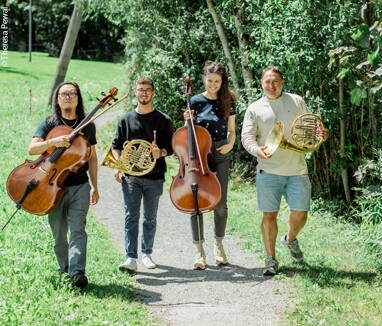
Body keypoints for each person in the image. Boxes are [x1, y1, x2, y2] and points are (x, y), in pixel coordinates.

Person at [241, 66, 326, 276]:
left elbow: (309, 126)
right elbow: (247, 136)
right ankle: (270, 260)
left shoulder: (296, 101)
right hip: (268, 171)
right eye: (268, 81)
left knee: (301, 214)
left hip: (297, 169)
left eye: (276, 81)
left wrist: (319, 133)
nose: (272, 85)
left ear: (282, 82)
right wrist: (256, 150)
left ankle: (290, 238)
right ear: (262, 82)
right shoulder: (254, 108)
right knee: (269, 215)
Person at [28, 82, 99, 288]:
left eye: (72, 93)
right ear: (57, 98)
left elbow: (92, 158)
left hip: (80, 185)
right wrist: (53, 143)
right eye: (64, 94)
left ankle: (77, 273)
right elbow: (32, 149)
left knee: (78, 229)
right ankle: (64, 269)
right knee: (59, 234)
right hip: (51, 187)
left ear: (78, 98)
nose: (68, 97)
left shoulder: (87, 125)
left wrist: (95, 185)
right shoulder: (49, 123)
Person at [112, 77, 174, 272]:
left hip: (155, 177)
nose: (144, 93)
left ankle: (147, 254)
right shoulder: (126, 120)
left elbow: (171, 148)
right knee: (131, 216)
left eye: (148, 90)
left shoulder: (163, 120)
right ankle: (130, 257)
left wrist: (160, 153)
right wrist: (118, 165)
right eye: (141, 89)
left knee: (150, 218)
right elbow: (116, 146)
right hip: (131, 176)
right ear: (135, 92)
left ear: (153, 93)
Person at [183, 61, 237, 269]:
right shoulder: (194, 101)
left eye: (217, 81)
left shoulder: (227, 100)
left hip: (221, 153)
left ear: (222, 81)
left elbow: (231, 129)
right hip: (199, 155)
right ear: (204, 79)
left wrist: (231, 143)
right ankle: (199, 251)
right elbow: (187, 133)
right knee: (196, 203)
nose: (213, 84)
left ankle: (218, 245)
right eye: (210, 80)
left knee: (221, 203)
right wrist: (187, 120)